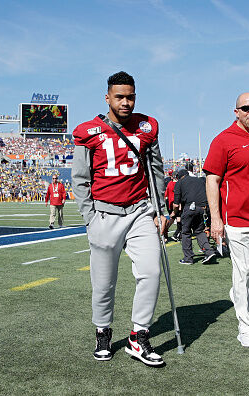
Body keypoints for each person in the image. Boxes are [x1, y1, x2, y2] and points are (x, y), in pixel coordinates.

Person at [71, 71, 167, 365]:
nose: (126, 102)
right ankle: (103, 331)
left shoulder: (146, 127)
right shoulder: (88, 131)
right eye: (120, 97)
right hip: (105, 213)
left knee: (151, 273)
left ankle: (139, 337)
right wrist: (90, 217)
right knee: (103, 284)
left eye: (131, 97)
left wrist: (159, 209)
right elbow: (79, 179)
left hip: (139, 211)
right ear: (107, 98)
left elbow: (157, 171)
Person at [203, 92, 249, 348]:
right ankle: (247, 329)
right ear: (236, 111)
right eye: (246, 108)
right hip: (235, 219)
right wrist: (215, 219)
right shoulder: (223, 140)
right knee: (242, 271)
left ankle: (239, 294)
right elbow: (212, 179)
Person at [173, 168, 216, 265]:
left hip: (189, 208)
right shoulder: (199, 180)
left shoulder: (180, 182)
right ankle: (208, 252)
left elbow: (176, 204)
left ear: (180, 177)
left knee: (186, 232)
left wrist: (174, 213)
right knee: (199, 231)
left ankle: (188, 258)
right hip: (202, 208)